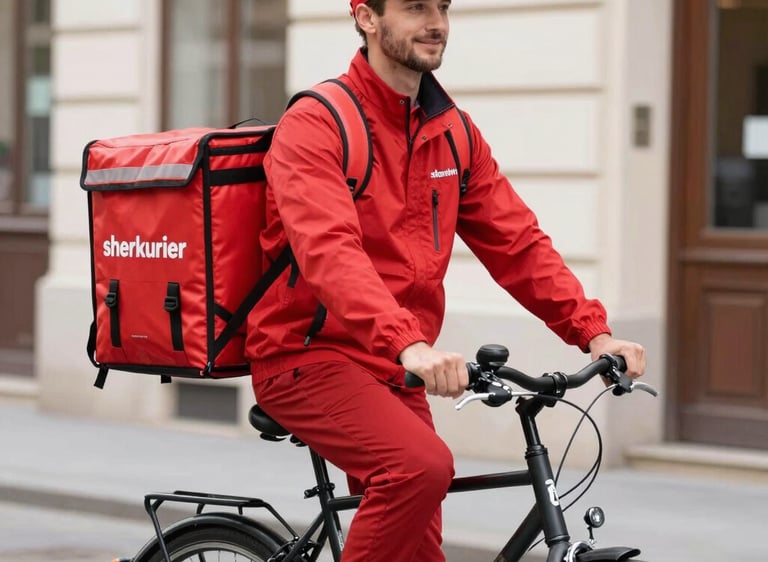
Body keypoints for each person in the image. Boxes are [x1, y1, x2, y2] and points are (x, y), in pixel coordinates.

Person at [245, 1, 647, 560]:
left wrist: (594, 334)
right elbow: (328, 251)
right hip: (305, 354)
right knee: (418, 467)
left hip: (391, 362)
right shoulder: (317, 122)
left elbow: (518, 243)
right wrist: (407, 343)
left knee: (419, 539)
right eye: (414, 7)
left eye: (443, 6)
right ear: (365, 17)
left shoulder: (450, 132)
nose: (436, 22)